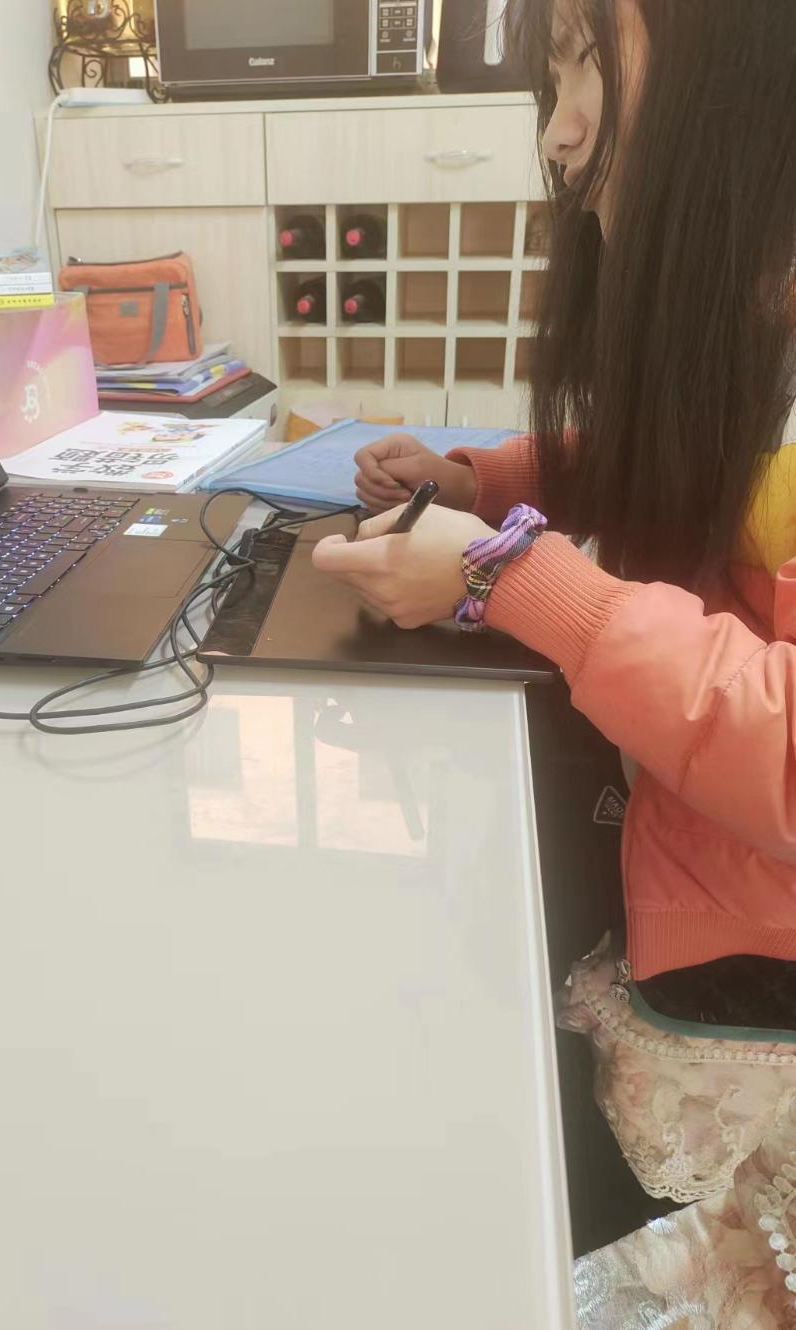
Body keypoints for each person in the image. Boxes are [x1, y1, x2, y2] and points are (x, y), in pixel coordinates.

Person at [312, 1, 796, 1322]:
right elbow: (683, 467)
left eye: (592, 61)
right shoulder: (755, 317)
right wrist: (489, 479)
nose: (559, 129)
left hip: (751, 966)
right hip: (677, 860)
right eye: (556, 70)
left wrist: (508, 574)